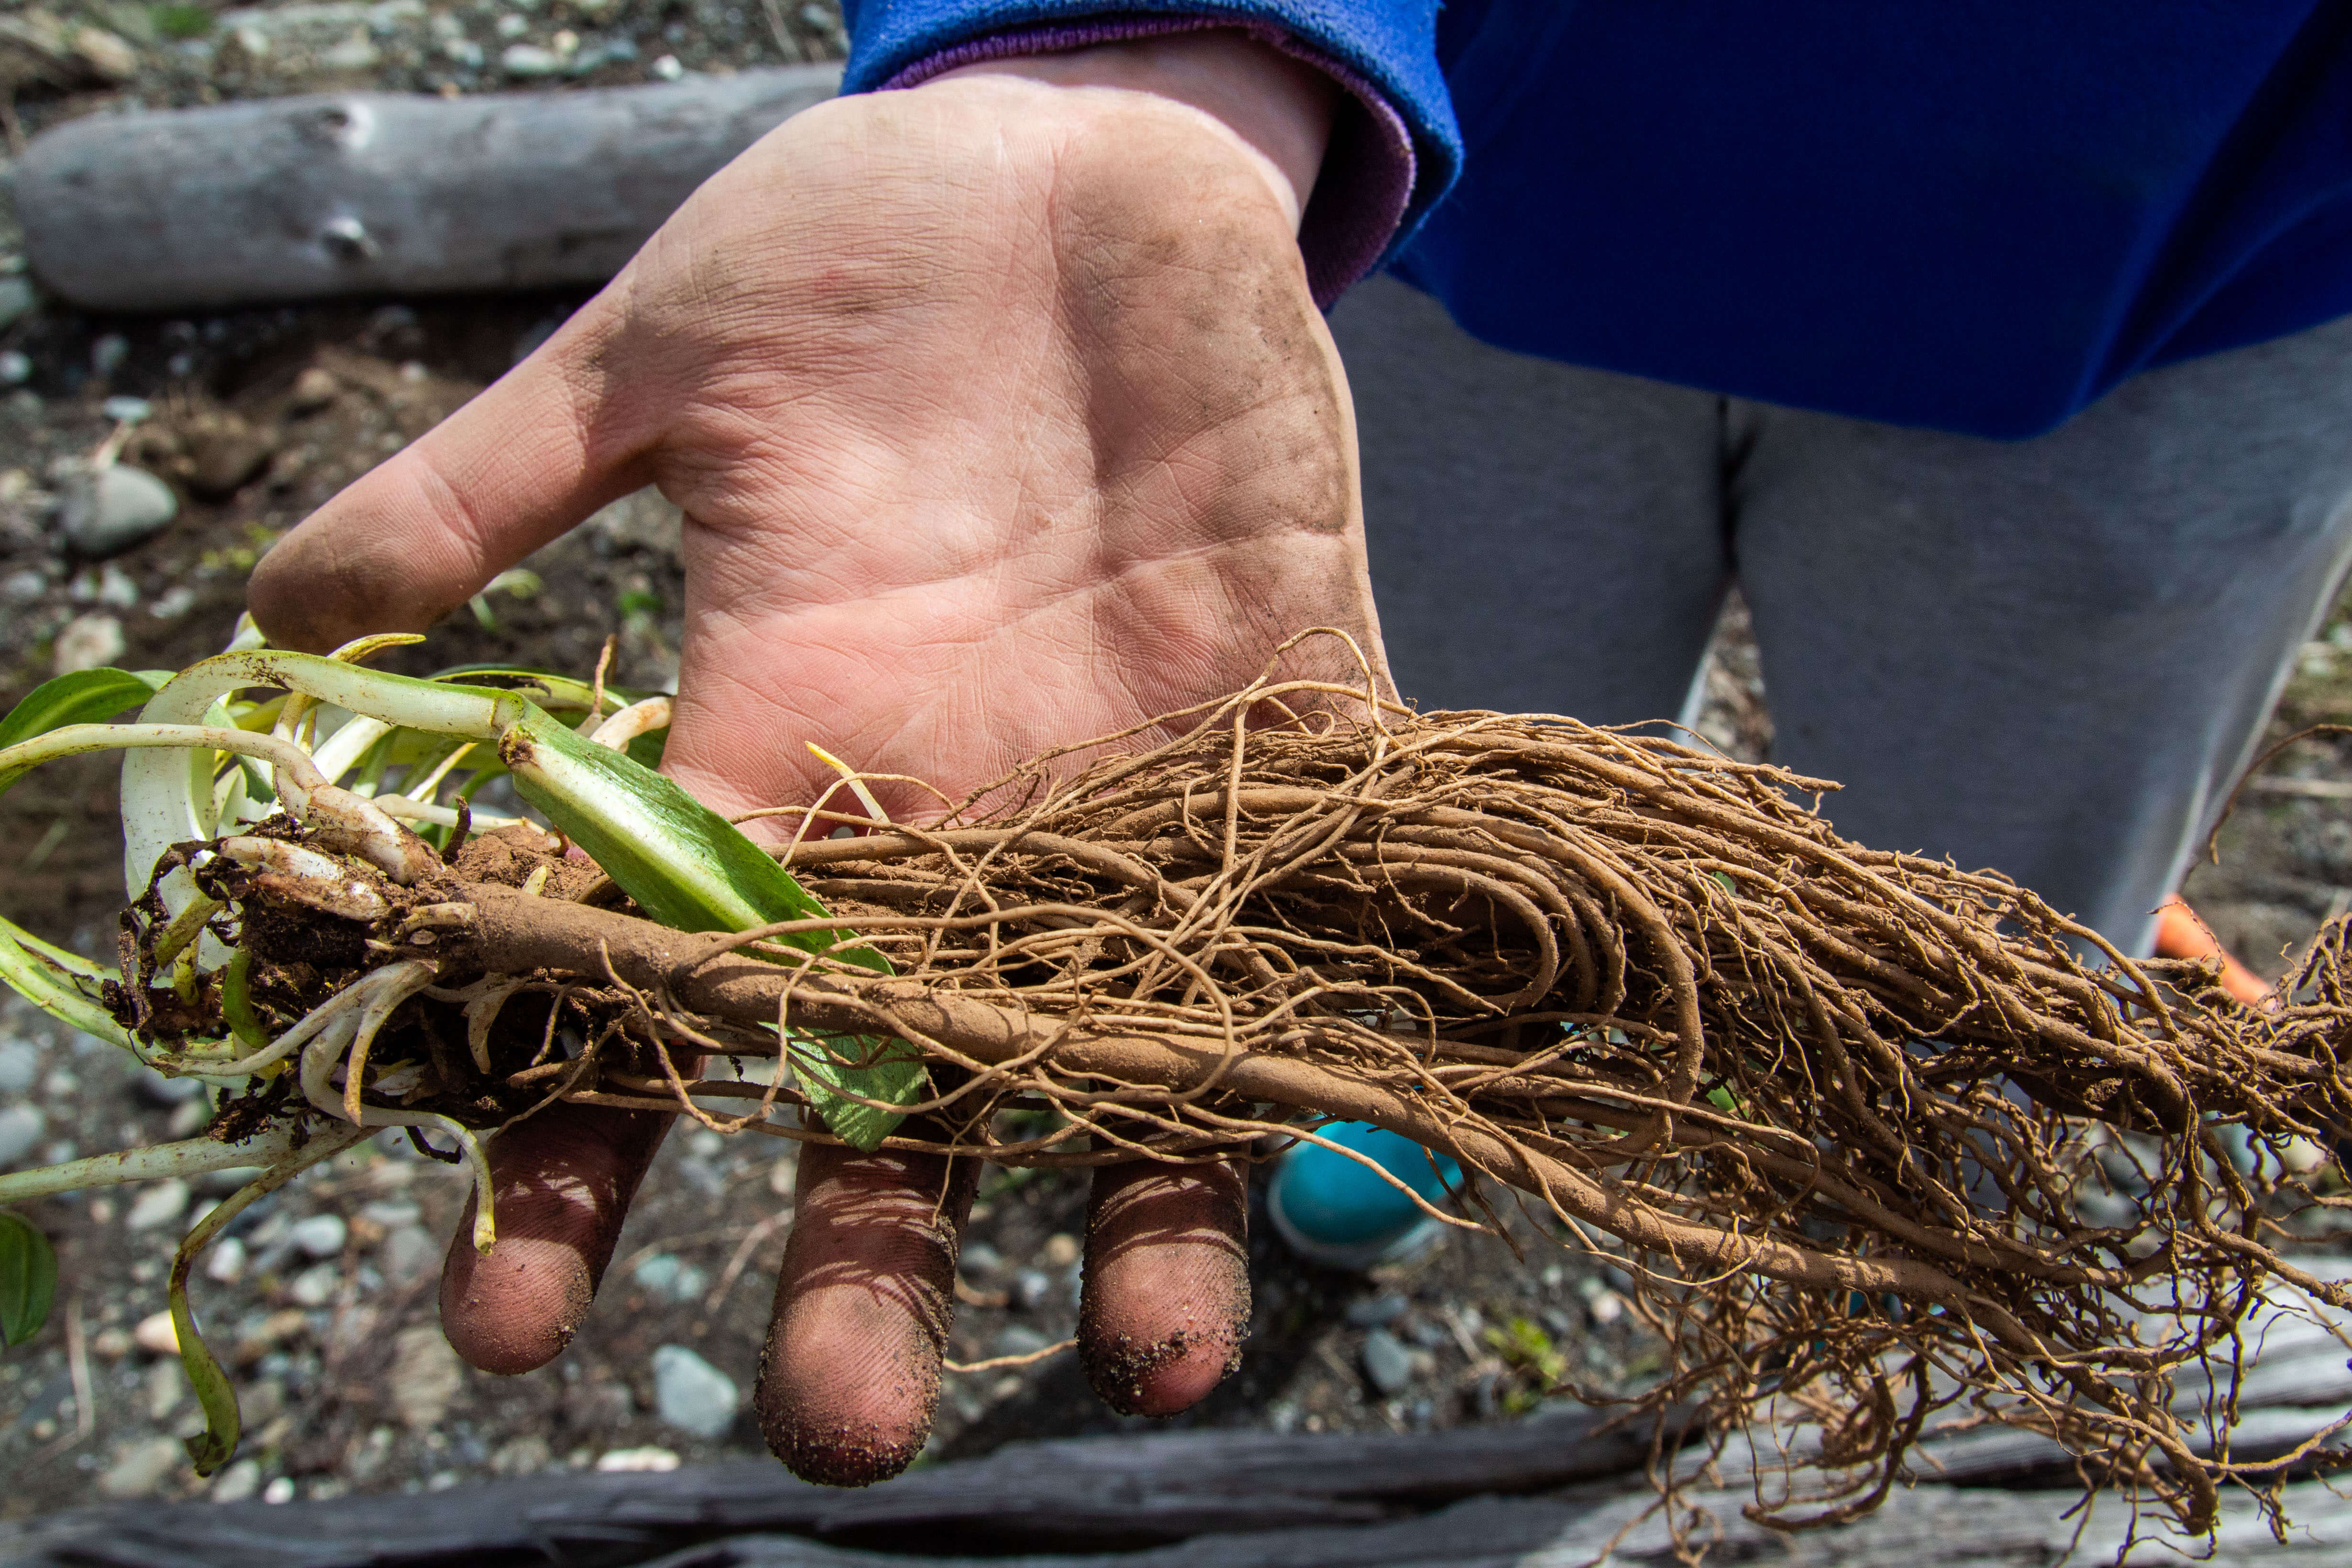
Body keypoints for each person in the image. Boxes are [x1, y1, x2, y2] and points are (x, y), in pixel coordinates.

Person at [246, 4, 2352, 1485]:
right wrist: (1120, 30)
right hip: (1452, 196)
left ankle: (1939, 1209)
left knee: (1991, 923)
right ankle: (1396, 1109)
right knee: (1382, 835)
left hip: (2202, 270)